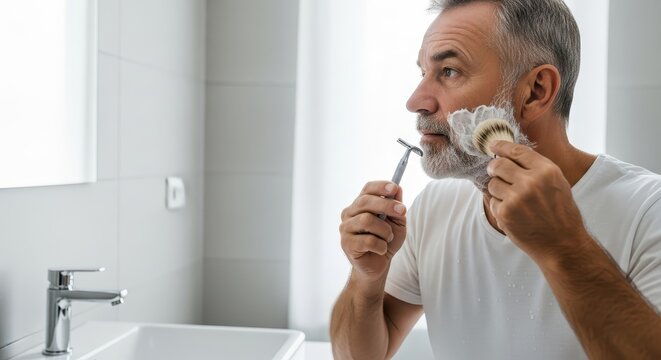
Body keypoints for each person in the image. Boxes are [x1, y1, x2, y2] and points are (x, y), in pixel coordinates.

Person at [330, 0, 661, 359]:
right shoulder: (435, 208)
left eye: (449, 71)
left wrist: (565, 247)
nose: (416, 101)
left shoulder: (648, 212)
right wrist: (366, 277)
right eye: (423, 73)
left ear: (536, 91)